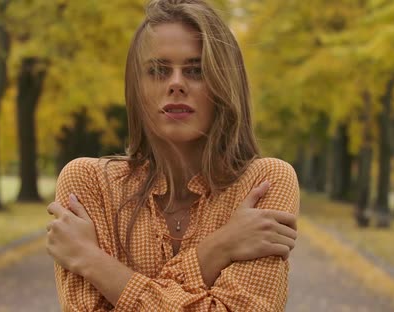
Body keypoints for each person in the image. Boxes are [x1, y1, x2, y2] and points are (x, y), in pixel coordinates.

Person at [45, 0, 300, 310]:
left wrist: (93, 262)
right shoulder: (89, 184)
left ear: (224, 83)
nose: (176, 83)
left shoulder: (265, 183)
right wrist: (220, 248)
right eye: (158, 70)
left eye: (196, 70)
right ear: (136, 88)